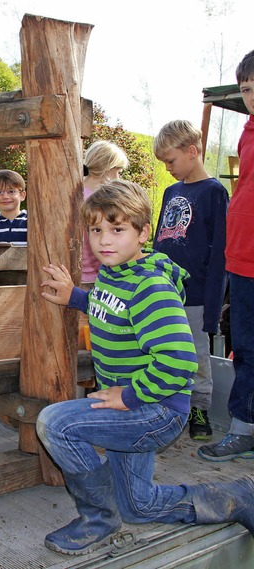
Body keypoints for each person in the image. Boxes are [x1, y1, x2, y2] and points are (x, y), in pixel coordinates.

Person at [36, 179, 254, 555]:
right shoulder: (114, 275)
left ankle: (98, 519)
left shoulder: (151, 287)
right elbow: (116, 313)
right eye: (97, 230)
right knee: (140, 507)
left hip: (153, 409)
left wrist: (131, 396)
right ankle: (238, 496)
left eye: (117, 229)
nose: (105, 240)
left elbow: (180, 361)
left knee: (55, 423)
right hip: (136, 405)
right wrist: (75, 297)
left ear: (142, 233)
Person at [152, 120, 228, 441]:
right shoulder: (171, 191)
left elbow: (220, 254)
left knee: (197, 355)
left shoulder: (214, 192)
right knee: (161, 350)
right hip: (164, 293)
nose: (168, 168)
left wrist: (212, 307)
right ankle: (164, 405)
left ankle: (198, 408)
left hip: (195, 295)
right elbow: (160, 241)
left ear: (192, 151)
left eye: (170, 161)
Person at [199, 49, 254, 461]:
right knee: (245, 349)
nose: (251, 96)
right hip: (242, 259)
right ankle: (243, 429)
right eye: (247, 89)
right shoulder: (248, 131)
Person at [81, 141, 129, 284]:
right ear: (108, 169)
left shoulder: (74, 192)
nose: (118, 178)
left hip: (78, 272)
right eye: (118, 172)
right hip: (98, 275)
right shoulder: (101, 199)